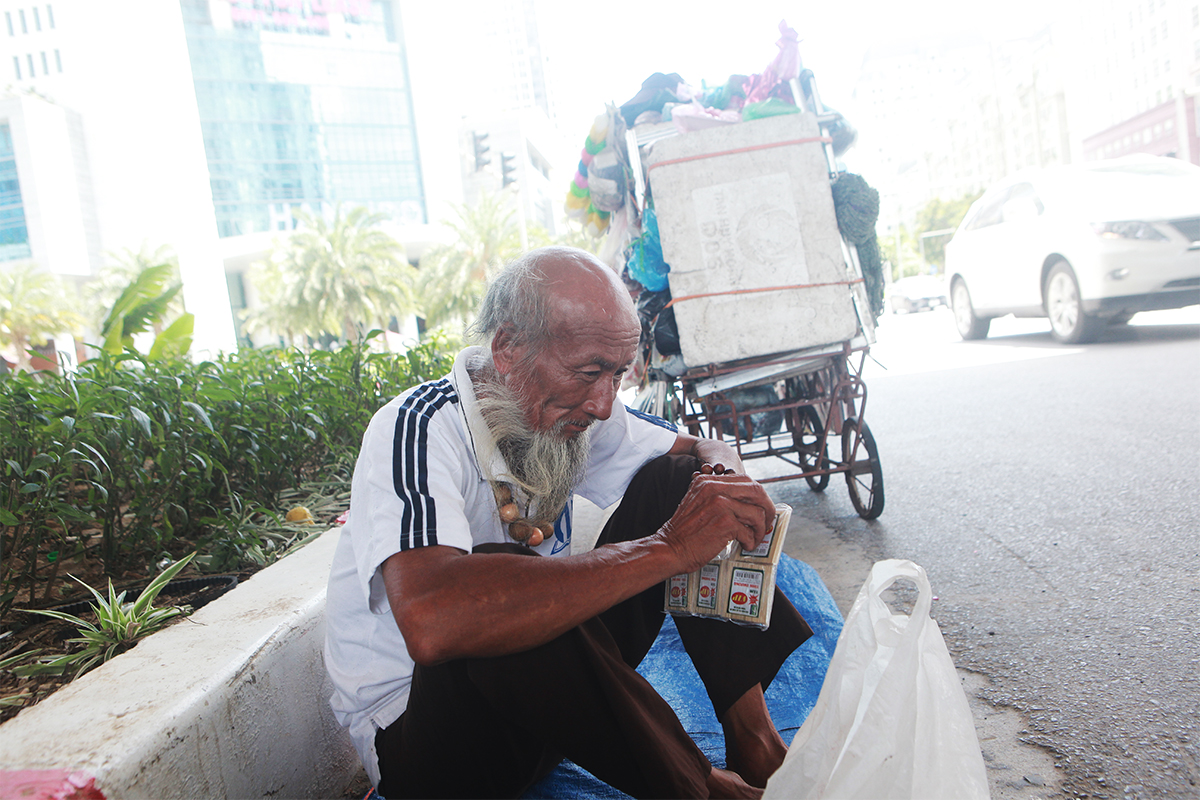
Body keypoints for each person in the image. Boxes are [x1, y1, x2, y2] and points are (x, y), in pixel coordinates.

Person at [324, 246, 812, 799]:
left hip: (553, 698)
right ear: (508, 348)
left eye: (617, 375)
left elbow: (697, 447)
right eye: (589, 373)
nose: (604, 404)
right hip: (436, 741)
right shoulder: (416, 428)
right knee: (497, 584)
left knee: (681, 483)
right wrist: (671, 548)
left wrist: (724, 477)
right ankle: (705, 790)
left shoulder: (574, 408)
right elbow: (433, 620)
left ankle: (755, 741)